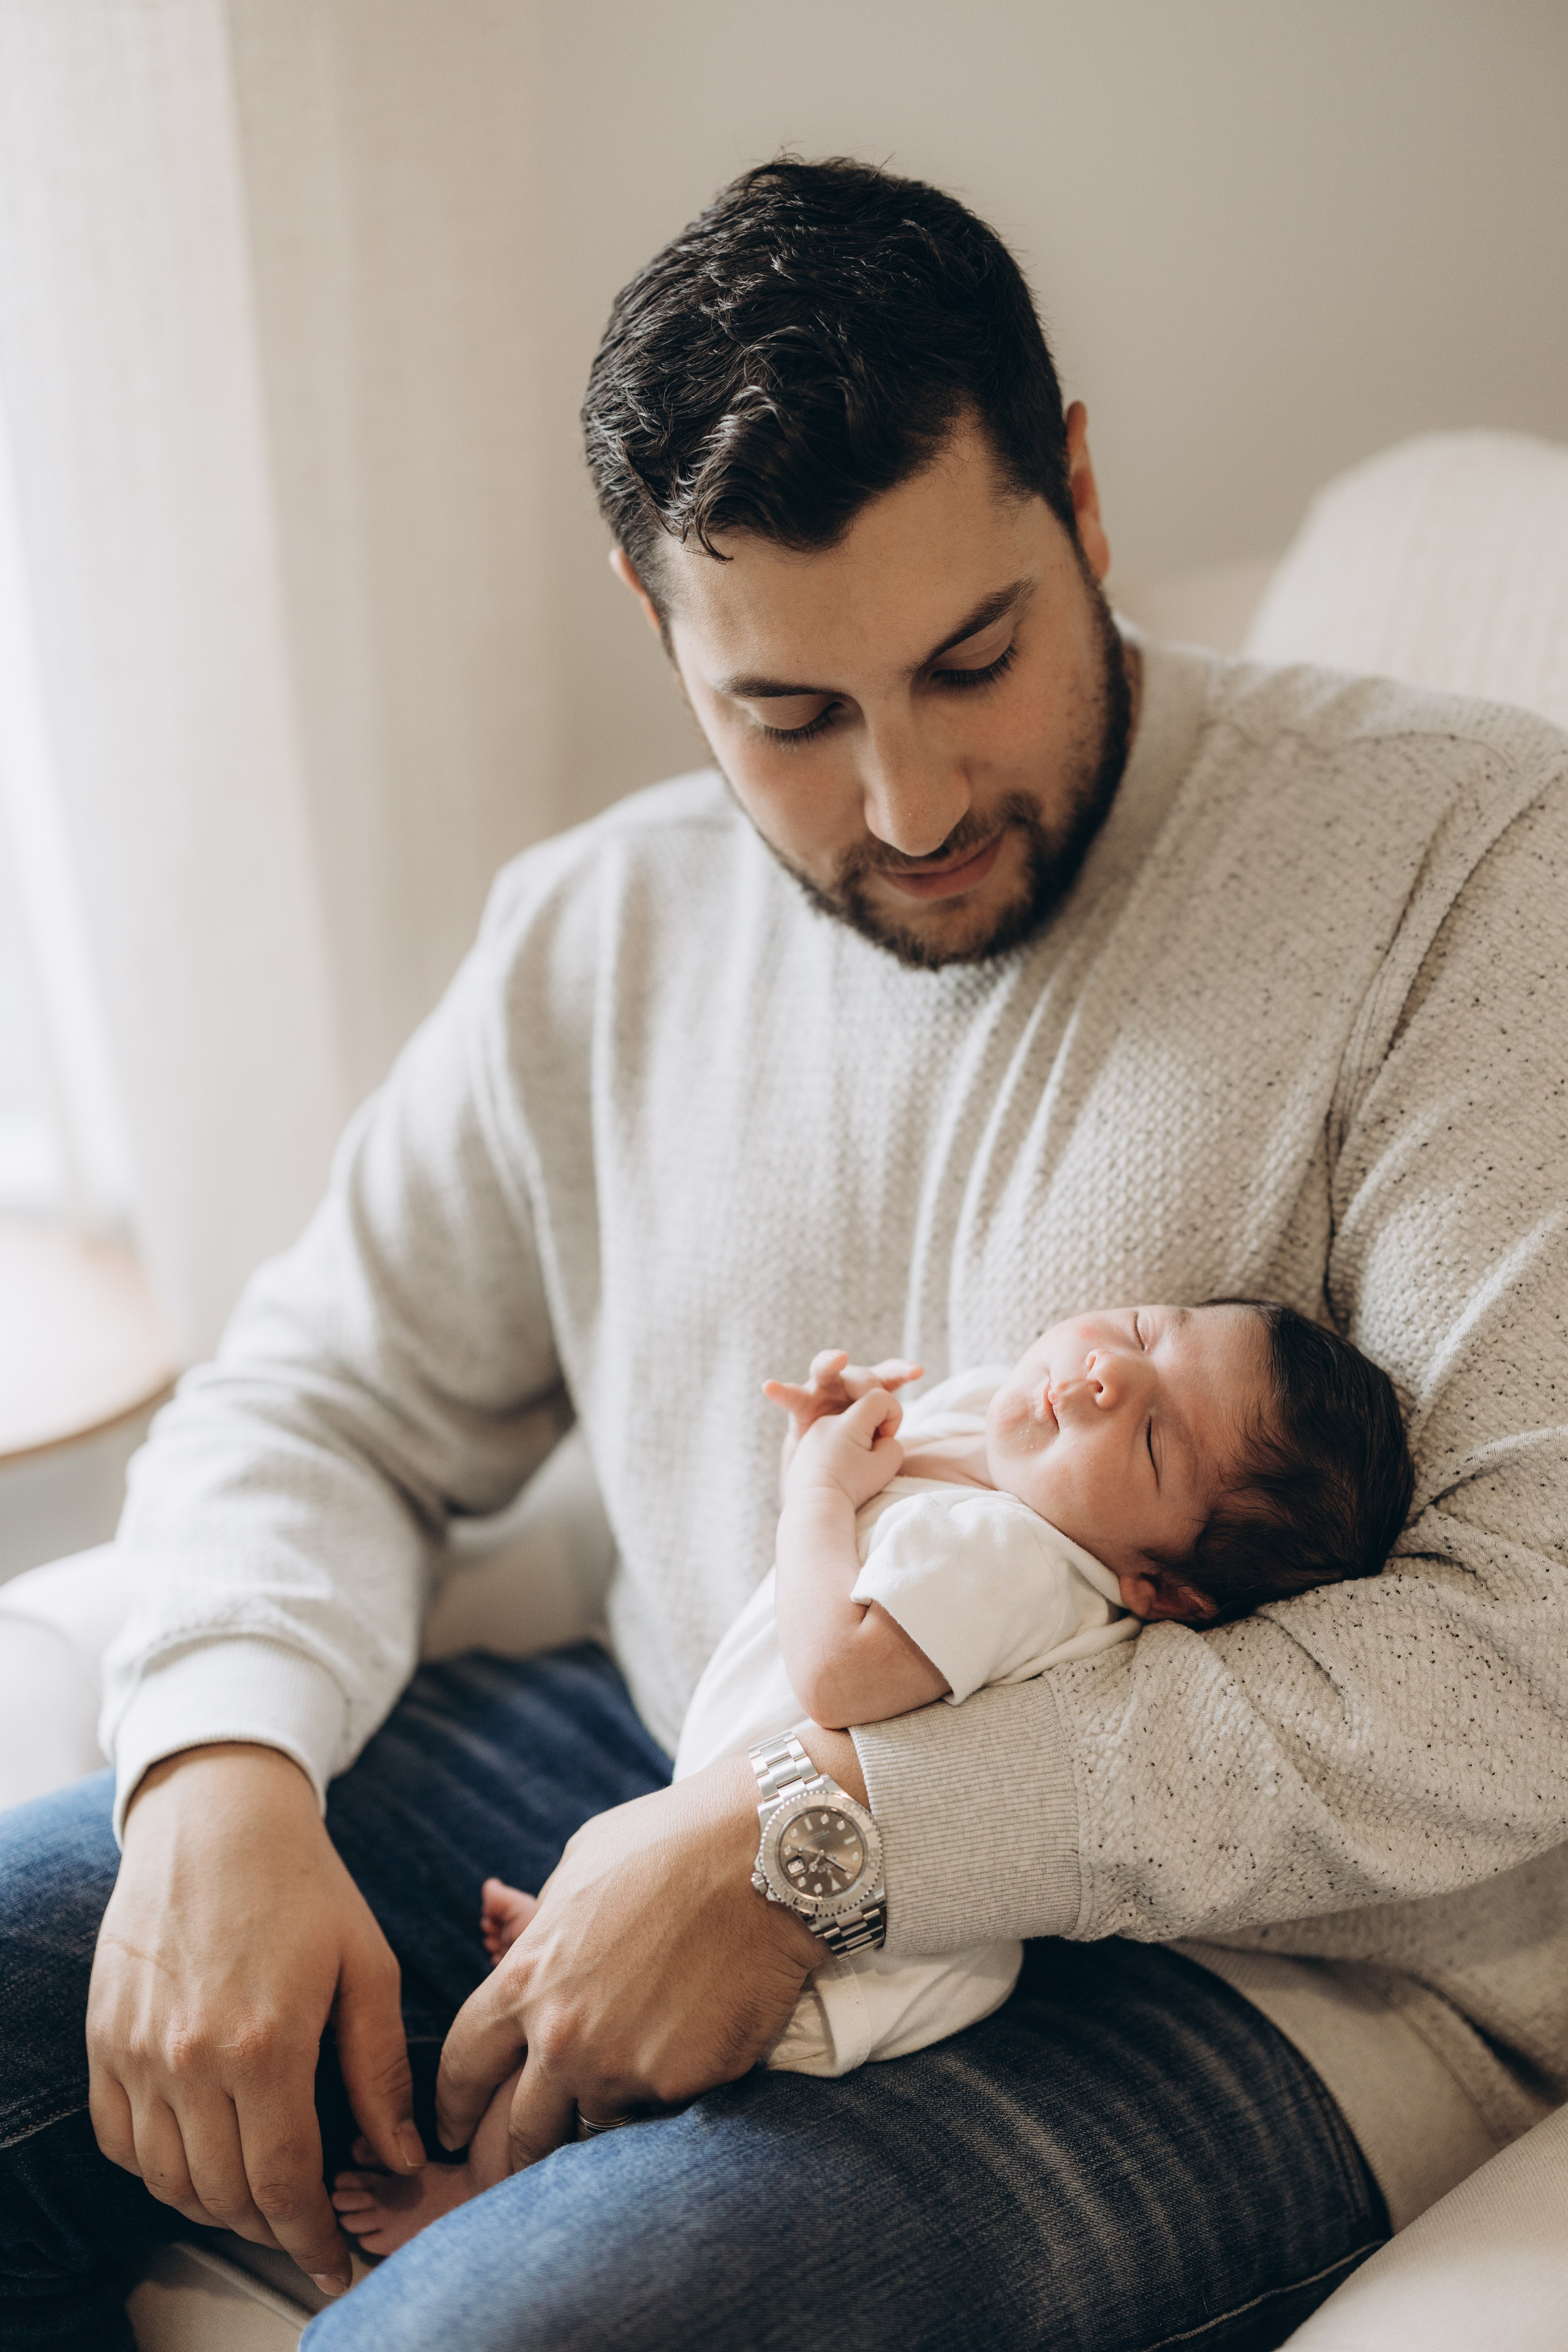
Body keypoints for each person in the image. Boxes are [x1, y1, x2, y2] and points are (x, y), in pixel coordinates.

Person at [1, 154, 1565, 2352]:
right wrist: (218, 1769)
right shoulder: (599, 933)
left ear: (1083, 498)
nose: (910, 802)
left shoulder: (1475, 865)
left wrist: (820, 1836)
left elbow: (1522, 1667)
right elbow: (321, 1392)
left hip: (1251, 1988)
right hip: (632, 1773)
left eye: (973, 657)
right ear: (663, 629)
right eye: (792, 717)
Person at [329, 1300, 1415, 2258]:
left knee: (649, 2063)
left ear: (1161, 1586)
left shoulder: (1021, 1566)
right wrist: (847, 1430)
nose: (1105, 1373)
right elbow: (902, 1481)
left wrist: (815, 1489)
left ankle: (478, 2183)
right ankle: (574, 1938)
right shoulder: (1008, 1429)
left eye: (1149, 1439)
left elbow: (839, 1673)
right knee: (635, 1891)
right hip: (742, 1819)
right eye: (1142, 1331)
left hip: (850, 1972)